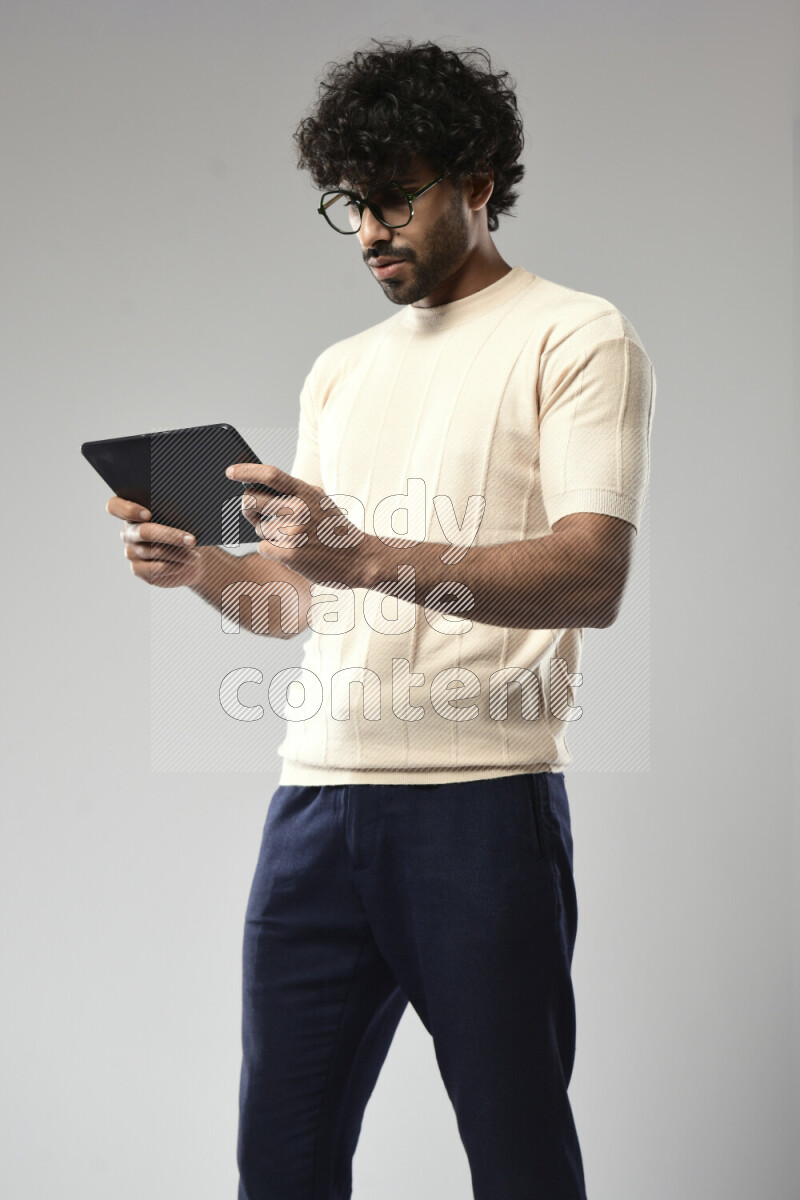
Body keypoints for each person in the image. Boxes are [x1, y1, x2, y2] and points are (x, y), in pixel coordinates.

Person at [107, 37, 655, 1200]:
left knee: (515, 1157)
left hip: (481, 811)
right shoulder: (337, 370)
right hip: (314, 805)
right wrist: (200, 567)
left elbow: (587, 576)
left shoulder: (575, 334)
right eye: (349, 203)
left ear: (476, 180)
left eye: (395, 195)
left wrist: (362, 553)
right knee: (282, 1163)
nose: (368, 229)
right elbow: (299, 601)